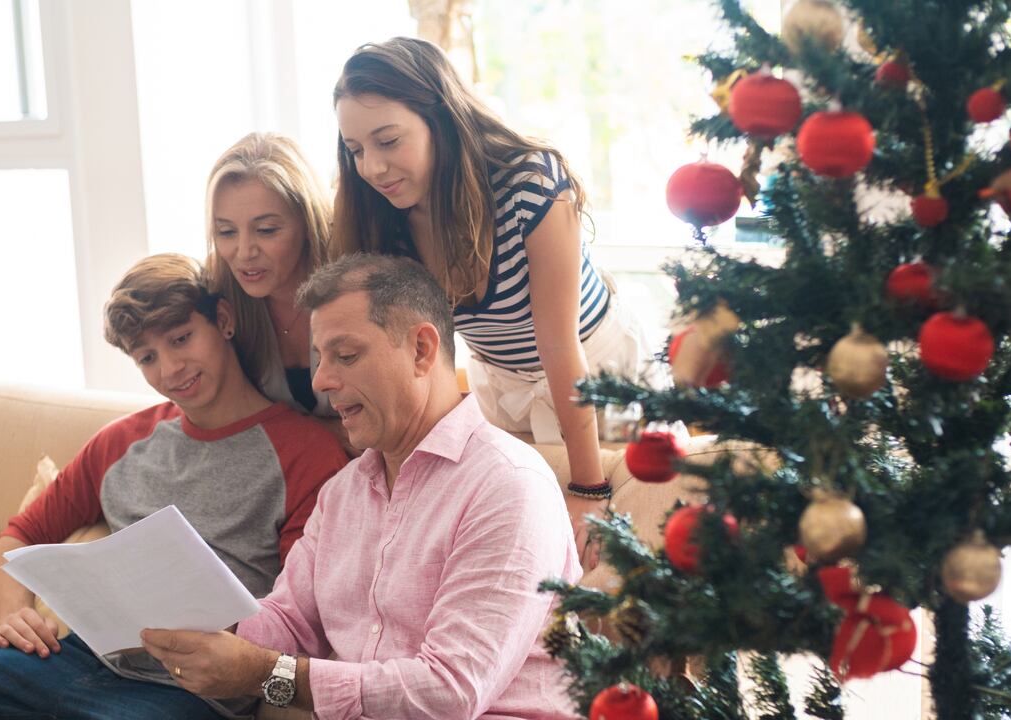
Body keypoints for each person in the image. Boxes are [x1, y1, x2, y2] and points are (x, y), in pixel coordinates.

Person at [0, 254, 348, 720]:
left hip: (192, 690)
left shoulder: (305, 453)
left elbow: (301, 612)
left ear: (224, 321)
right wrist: (16, 615)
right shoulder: (121, 442)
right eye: (146, 357)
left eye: (181, 338)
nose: (170, 369)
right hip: (70, 659)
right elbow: (17, 538)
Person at [140, 253, 581, 719]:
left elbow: (448, 692)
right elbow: (289, 618)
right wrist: (202, 628)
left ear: (421, 351)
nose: (322, 380)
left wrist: (263, 673)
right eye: (321, 358)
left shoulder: (509, 487)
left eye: (346, 356)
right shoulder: (343, 493)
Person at [328, 37, 651, 568]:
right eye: (356, 149)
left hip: (597, 372)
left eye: (388, 141)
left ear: (440, 118)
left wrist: (590, 488)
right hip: (500, 384)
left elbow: (558, 342)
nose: (373, 168)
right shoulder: (383, 216)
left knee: (613, 539)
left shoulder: (531, 182)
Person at [205, 132, 336, 418]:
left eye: (266, 230)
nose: (244, 252)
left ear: (307, 221)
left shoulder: (355, 289)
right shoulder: (217, 298)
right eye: (226, 232)